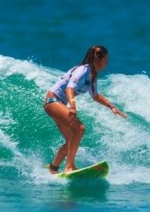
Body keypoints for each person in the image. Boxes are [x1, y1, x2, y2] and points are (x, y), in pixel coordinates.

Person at [43, 45, 127, 173]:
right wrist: (72, 105)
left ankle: (53, 168)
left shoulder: (92, 74)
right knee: (79, 128)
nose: (107, 62)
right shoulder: (83, 70)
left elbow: (95, 95)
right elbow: (69, 88)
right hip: (53, 101)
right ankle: (69, 167)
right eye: (105, 59)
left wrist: (112, 106)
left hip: (58, 103)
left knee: (72, 138)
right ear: (97, 59)